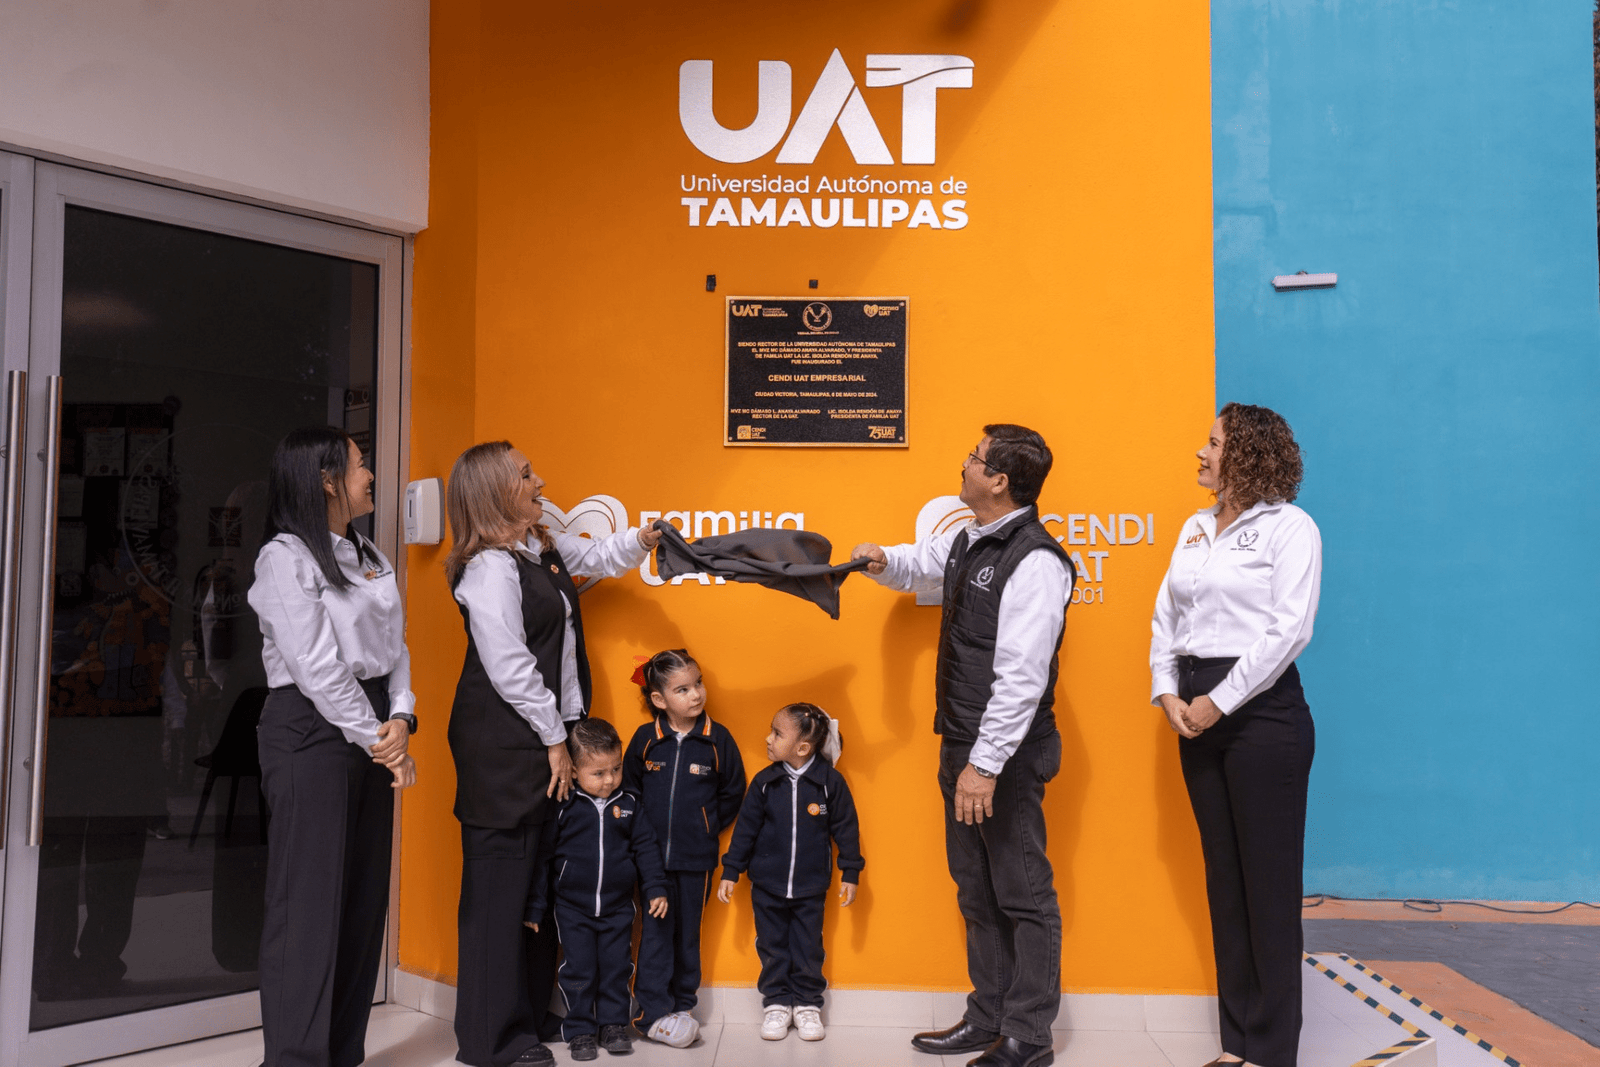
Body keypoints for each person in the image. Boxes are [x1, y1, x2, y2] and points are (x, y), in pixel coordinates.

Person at [852, 423, 1074, 1067]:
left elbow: (1022, 678)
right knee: (976, 890)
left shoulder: (1035, 561)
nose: (964, 464)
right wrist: (881, 560)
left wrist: (984, 765)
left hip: (1003, 756)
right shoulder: (972, 539)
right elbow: (920, 563)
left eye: (974, 458)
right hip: (962, 743)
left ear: (998, 480)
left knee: (1023, 893)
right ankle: (988, 1017)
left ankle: (1029, 1036)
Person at [444, 440, 662, 1067]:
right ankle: (490, 1041)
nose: (540, 480)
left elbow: (597, 555)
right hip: (505, 745)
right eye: (525, 474)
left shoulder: (537, 547)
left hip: (545, 736)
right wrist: (554, 737)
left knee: (535, 879)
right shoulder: (488, 568)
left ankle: (531, 1017)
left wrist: (642, 539)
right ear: (495, 492)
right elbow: (510, 665)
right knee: (498, 892)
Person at [1149, 403, 1321, 1067]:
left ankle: (1270, 1053)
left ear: (1246, 453)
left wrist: (1217, 702)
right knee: (1225, 882)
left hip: (1262, 714)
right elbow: (1166, 617)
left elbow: (1289, 629)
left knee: (1268, 888)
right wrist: (1167, 690)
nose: (1201, 452)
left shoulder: (1290, 527)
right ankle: (1237, 1045)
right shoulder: (1195, 527)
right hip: (1193, 705)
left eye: (1213, 443)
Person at [248, 426, 416, 1067]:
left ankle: (341, 1054)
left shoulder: (368, 552)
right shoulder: (284, 557)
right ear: (325, 480)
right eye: (359, 463)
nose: (369, 474)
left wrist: (400, 717)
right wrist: (379, 738)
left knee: (362, 899)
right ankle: (294, 1059)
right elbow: (316, 667)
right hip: (310, 728)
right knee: (308, 905)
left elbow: (395, 647)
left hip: (370, 725)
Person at [622, 649, 747, 1048]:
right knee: (656, 934)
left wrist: (706, 827)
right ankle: (650, 1013)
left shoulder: (718, 739)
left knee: (688, 935)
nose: (696, 694)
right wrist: (640, 841)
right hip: (651, 862)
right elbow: (630, 791)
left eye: (698, 684)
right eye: (682, 689)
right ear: (659, 699)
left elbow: (733, 791)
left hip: (697, 859)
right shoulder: (646, 739)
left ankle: (682, 1007)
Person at [717, 703, 863, 1044]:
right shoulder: (765, 783)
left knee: (809, 947)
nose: (768, 739)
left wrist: (851, 871)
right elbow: (745, 830)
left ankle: (808, 1004)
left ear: (802, 748)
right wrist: (731, 870)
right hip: (767, 886)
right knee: (772, 946)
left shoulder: (829, 783)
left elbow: (846, 828)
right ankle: (777, 1003)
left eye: (777, 733)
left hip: (811, 887)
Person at [524, 719, 668, 1061]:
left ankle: (613, 1025)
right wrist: (535, 906)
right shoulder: (564, 805)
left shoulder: (629, 803)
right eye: (599, 773)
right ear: (574, 771)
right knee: (579, 969)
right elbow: (544, 857)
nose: (610, 780)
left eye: (616, 769)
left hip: (618, 906)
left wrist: (655, 888)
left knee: (617, 966)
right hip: (573, 908)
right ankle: (580, 1030)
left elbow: (646, 848)